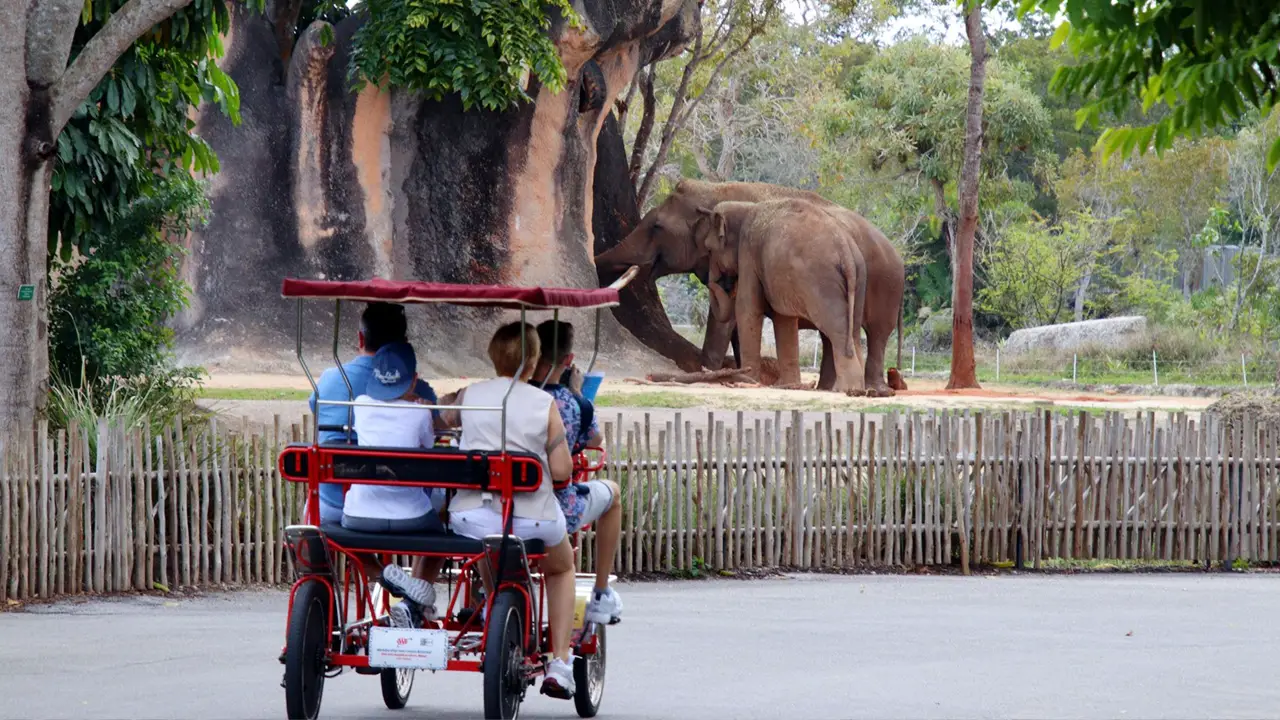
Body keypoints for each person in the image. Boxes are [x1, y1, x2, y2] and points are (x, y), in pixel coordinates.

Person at [446, 322, 579, 699]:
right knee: (562, 566)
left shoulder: (471, 395)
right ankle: (560, 661)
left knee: (487, 538)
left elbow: (442, 419)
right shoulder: (544, 403)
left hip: (473, 513)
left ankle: (492, 605)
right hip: (531, 517)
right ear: (535, 362)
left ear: (492, 356)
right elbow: (561, 470)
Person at [342, 341, 445, 628]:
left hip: (358, 517)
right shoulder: (420, 412)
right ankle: (413, 600)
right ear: (413, 379)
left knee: (343, 536)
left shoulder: (359, 405)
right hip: (411, 518)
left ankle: (382, 573)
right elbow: (428, 448)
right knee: (443, 533)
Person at [309, 302, 438, 524]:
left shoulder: (329, 380)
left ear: (360, 338)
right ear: (403, 343)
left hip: (333, 501)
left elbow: (315, 409)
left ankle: (368, 562)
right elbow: (434, 430)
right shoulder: (419, 391)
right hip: (403, 506)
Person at [531, 320, 623, 625]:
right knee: (613, 493)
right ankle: (600, 593)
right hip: (554, 504)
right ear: (568, 360)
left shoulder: (511, 395)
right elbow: (594, 440)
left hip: (502, 499)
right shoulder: (573, 404)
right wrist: (578, 392)